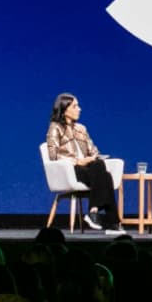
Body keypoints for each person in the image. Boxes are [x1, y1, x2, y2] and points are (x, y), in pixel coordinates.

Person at [45, 93, 122, 232]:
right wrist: (78, 161)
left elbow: (94, 150)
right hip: (71, 170)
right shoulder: (55, 128)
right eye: (75, 106)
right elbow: (53, 155)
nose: (79, 109)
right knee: (105, 176)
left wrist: (93, 158)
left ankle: (94, 211)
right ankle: (113, 222)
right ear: (64, 109)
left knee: (100, 167)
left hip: (89, 168)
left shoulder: (81, 128)